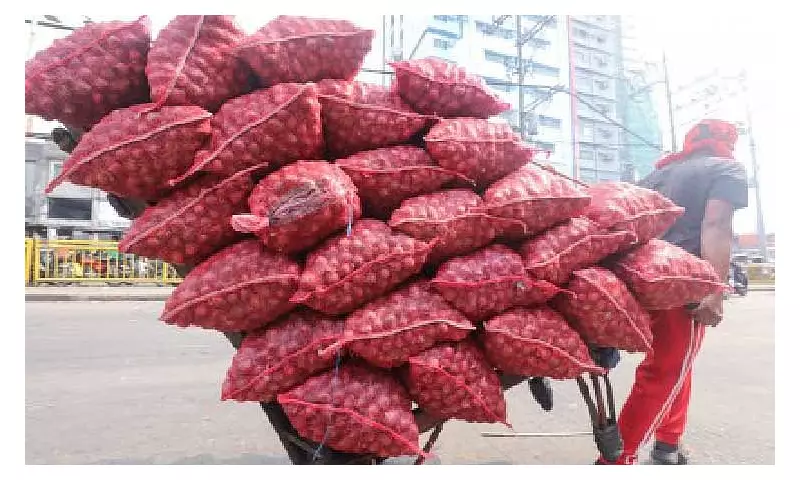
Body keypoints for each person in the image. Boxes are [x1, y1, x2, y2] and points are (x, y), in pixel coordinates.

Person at [597, 119, 749, 465]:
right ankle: (615, 462)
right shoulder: (726, 169)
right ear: (728, 142)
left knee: (678, 363)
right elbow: (716, 224)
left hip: (639, 279)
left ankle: (668, 443)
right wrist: (715, 290)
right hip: (682, 285)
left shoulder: (657, 175)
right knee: (663, 372)